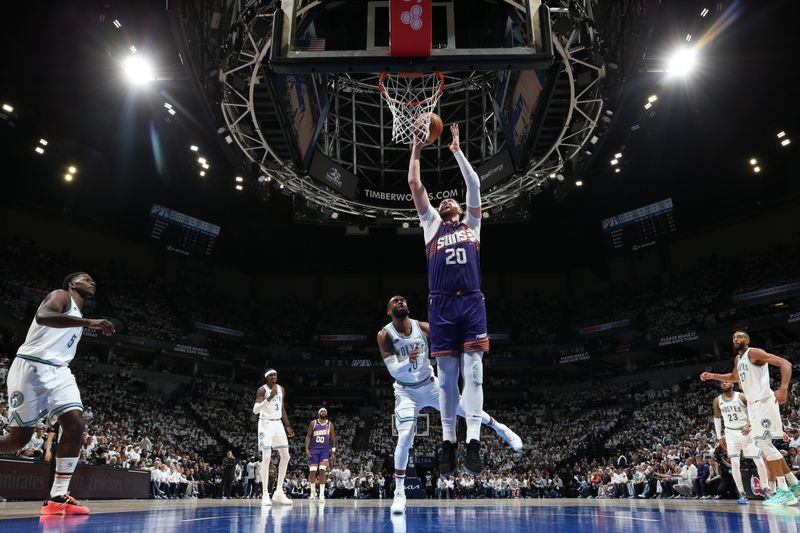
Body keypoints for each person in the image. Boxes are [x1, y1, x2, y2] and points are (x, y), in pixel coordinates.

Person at [377, 295, 522, 514]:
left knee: (467, 410)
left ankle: (500, 428)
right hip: (406, 391)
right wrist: (409, 362)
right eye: (395, 302)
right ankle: (399, 493)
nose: (400, 302)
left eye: (403, 300)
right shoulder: (385, 334)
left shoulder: (422, 327)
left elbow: (448, 333)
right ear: (389, 311)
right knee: (405, 436)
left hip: (430, 385)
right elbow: (393, 370)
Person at [407, 124, 488, 477]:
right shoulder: (431, 225)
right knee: (447, 377)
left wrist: (456, 149)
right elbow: (415, 185)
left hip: (470, 302)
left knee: (474, 373)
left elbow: (474, 185)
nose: (446, 200)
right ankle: (447, 443)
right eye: (443, 201)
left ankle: (473, 442)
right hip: (440, 305)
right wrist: (415, 150)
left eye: (450, 200)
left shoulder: (472, 223)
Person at [0, 272, 114, 515]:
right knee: (18, 440)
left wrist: (85, 321)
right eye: (85, 278)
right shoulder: (61, 296)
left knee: (75, 424)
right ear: (72, 284)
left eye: (93, 279)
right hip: (32, 366)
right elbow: (42, 317)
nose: (92, 281)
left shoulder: (79, 315)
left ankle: (58, 495)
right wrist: (88, 323)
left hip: (60, 372)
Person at [701, 331, 799, 505]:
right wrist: (713, 376)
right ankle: (794, 484)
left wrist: (784, 388)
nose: (736, 339)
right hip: (754, 406)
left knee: (764, 446)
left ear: (747, 340)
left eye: (739, 337)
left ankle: (785, 492)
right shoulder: (739, 360)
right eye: (733, 338)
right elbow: (733, 378)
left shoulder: (754, 353)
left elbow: (785, 363)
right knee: (765, 447)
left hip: (764, 402)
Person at [712, 381, 769, 504]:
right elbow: (717, 417)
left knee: (758, 460)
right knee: (735, 464)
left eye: (726, 381)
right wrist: (719, 436)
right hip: (730, 433)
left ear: (732, 384)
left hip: (746, 432)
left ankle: (766, 488)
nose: (723, 383)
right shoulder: (717, 400)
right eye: (721, 382)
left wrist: (748, 424)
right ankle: (742, 493)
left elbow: (754, 412)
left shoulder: (741, 396)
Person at [252, 368, 295, 506]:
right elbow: (255, 410)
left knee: (286, 456)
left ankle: (278, 492)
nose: (274, 376)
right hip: (265, 424)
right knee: (266, 457)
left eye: (275, 374)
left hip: (278, 424)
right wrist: (268, 398)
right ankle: (265, 494)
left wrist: (287, 425)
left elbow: (281, 408)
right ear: (266, 378)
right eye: (271, 375)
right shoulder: (262, 390)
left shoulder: (281, 389)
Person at [305, 407, 336, 502]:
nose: (323, 412)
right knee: (312, 471)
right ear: (319, 413)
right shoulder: (313, 423)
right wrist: (306, 448)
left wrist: (333, 452)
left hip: (324, 451)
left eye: (325, 411)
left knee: (322, 471)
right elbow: (308, 437)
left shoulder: (330, 424)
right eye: (322, 411)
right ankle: (313, 492)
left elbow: (333, 439)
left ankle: (322, 494)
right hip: (314, 450)